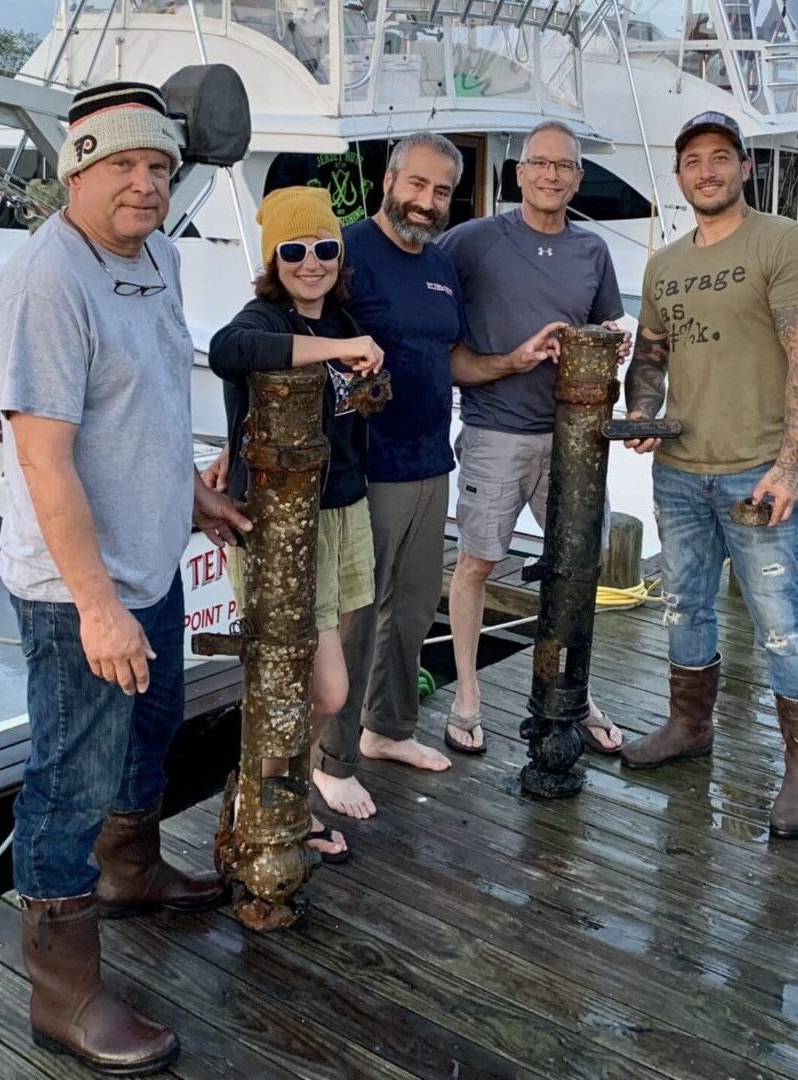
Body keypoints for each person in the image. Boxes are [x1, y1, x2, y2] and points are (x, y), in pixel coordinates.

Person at [0, 81, 251, 1074]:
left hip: (154, 561)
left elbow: (145, 404)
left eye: (160, 167)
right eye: (122, 166)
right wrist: (98, 608)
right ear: (76, 168)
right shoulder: (45, 282)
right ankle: (63, 993)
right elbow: (46, 462)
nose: (144, 185)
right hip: (77, 593)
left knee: (153, 727)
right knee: (70, 776)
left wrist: (191, 497)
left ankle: (130, 870)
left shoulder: (160, 258)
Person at [619, 111, 798, 839]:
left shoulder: (785, 244)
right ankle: (689, 726)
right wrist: (643, 413)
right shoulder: (664, 266)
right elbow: (649, 355)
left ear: (743, 167)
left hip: (756, 474)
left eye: (719, 158)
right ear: (678, 178)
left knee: (781, 627)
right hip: (680, 471)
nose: (705, 171)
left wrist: (787, 467)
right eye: (691, 162)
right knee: (685, 608)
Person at [439, 119, 630, 756]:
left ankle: (574, 691)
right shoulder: (469, 242)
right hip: (495, 432)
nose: (551, 175)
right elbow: (439, 329)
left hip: (575, 439)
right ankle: (467, 694)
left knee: (575, 569)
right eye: (539, 164)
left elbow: (603, 331)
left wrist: (614, 345)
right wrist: (505, 360)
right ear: (517, 173)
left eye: (564, 166)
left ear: (578, 177)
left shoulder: (593, 253)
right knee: (477, 563)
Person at [207, 185, 384, 862]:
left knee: (305, 683)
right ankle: (264, 798)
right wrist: (336, 351)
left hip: (343, 510)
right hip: (283, 528)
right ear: (272, 259)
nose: (312, 263)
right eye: (294, 250)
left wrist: (361, 356)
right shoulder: (262, 317)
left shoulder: (341, 320)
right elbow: (232, 351)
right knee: (324, 687)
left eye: (324, 248)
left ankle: (286, 802)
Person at [310, 132, 466, 820]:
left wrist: (515, 360)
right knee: (353, 620)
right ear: (390, 181)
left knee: (412, 609)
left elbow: (451, 358)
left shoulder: (440, 266)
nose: (427, 203)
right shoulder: (344, 251)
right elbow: (292, 333)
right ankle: (329, 762)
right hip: (364, 469)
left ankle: (387, 730)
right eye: (418, 186)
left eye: (441, 192)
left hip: (433, 461)